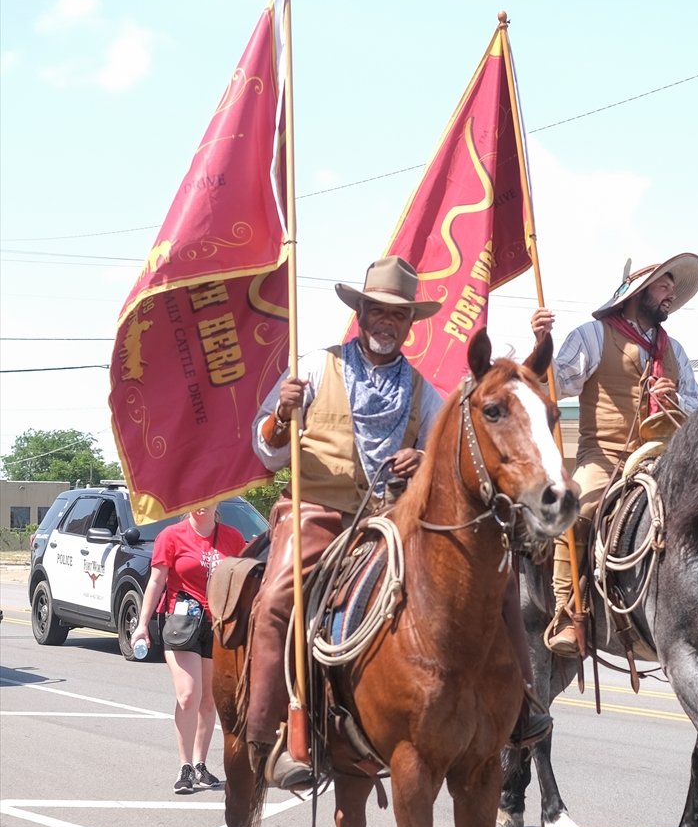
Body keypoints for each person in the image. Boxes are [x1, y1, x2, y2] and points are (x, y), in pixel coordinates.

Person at [247, 254, 551, 791]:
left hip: (392, 519)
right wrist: (280, 418)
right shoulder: (316, 368)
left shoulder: (422, 391)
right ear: (360, 313)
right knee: (276, 600)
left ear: (410, 324)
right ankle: (271, 735)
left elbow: (448, 460)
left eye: (398, 316)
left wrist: (421, 463)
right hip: (319, 511)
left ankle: (524, 706)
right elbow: (266, 454)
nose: (387, 323)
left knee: (502, 585)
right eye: (377, 311)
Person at [532, 254, 698, 655]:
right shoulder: (594, 336)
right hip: (605, 458)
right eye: (663, 286)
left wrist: (676, 398)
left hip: (666, 459)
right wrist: (543, 344)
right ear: (637, 293)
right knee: (574, 513)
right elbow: (556, 385)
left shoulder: (674, 351)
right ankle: (566, 614)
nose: (670, 295)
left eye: (671, 288)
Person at [131, 502, 246, 793]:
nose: (201, 506)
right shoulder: (171, 536)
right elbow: (156, 582)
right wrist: (142, 625)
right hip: (182, 624)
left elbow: (243, 582)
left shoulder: (232, 537)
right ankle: (184, 766)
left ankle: (200, 764)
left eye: (207, 500)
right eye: (195, 501)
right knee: (188, 695)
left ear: (218, 501)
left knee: (208, 700)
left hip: (218, 626)